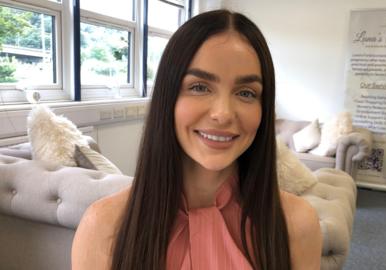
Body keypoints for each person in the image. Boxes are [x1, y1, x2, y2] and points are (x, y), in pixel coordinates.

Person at [72, 9, 322, 270]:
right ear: (168, 98)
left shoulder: (297, 224)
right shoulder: (103, 227)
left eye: (246, 93)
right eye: (199, 87)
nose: (223, 113)